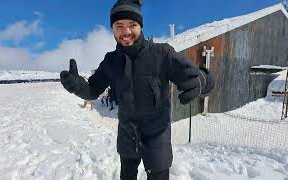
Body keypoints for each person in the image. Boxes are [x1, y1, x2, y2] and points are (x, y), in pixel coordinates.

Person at [60, 0, 214, 179]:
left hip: (157, 137)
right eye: (119, 26)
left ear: (140, 26)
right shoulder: (111, 61)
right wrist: (77, 86)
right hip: (127, 135)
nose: (126, 32)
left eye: (132, 25)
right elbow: (92, 90)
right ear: (113, 28)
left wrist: (202, 81)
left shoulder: (162, 53)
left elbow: (203, 78)